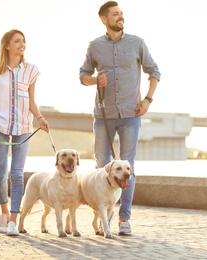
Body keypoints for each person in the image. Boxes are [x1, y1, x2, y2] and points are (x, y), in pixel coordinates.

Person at [79, 1, 161, 236]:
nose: (120, 17)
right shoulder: (95, 46)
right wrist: (95, 80)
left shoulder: (137, 43)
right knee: (101, 165)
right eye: (115, 14)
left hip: (130, 115)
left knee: (128, 168)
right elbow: (83, 75)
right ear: (104, 19)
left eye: (121, 13)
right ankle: (104, 212)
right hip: (103, 115)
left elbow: (154, 71)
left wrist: (148, 100)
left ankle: (124, 218)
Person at [0, 29, 50, 236]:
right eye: (17, 41)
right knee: (1, 173)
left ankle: (13, 219)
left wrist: (40, 118)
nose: (22, 44)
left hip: (23, 128)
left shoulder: (31, 70)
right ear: (7, 45)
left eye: (24, 41)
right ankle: (3, 212)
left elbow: (31, 101)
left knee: (17, 174)